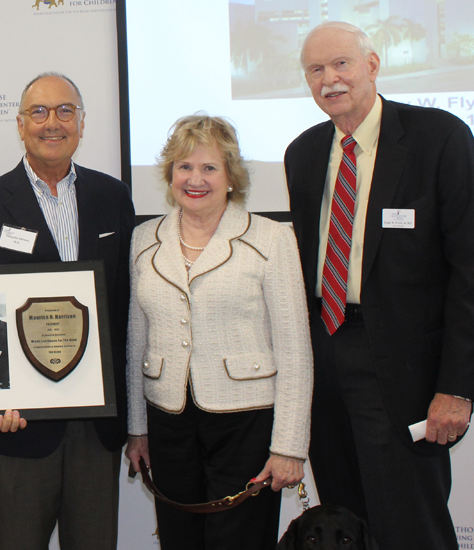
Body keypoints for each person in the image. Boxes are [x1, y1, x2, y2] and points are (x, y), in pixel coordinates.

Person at [285, 22, 474, 550]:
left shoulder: (438, 137)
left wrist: (457, 386)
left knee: (412, 524)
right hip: (325, 354)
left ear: (372, 65)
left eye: (341, 64)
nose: (330, 80)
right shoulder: (302, 154)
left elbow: (469, 270)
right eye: (316, 70)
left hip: (405, 371)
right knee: (343, 525)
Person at [0, 72, 134, 549]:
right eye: (38, 112)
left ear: (81, 123)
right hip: (20, 424)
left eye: (64, 111)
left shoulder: (112, 196)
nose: (51, 123)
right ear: (19, 124)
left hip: (96, 423)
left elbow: (124, 307)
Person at [124, 114, 312, 548]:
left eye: (209, 168)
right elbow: (138, 340)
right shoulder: (143, 239)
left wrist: (289, 446)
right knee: (179, 537)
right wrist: (137, 428)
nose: (195, 179)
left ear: (231, 177)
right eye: (184, 167)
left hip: (246, 422)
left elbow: (295, 349)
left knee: (240, 539)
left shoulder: (271, 239)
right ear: (170, 175)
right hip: (168, 421)